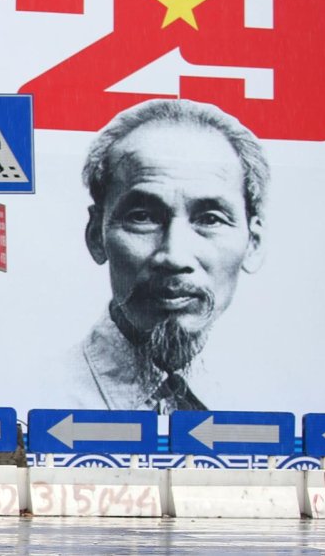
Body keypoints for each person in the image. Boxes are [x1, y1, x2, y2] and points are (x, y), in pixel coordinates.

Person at [67, 98, 268, 414]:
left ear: (253, 242)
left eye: (210, 219)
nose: (174, 256)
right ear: (96, 235)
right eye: (142, 216)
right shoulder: (33, 396)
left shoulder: (277, 398)